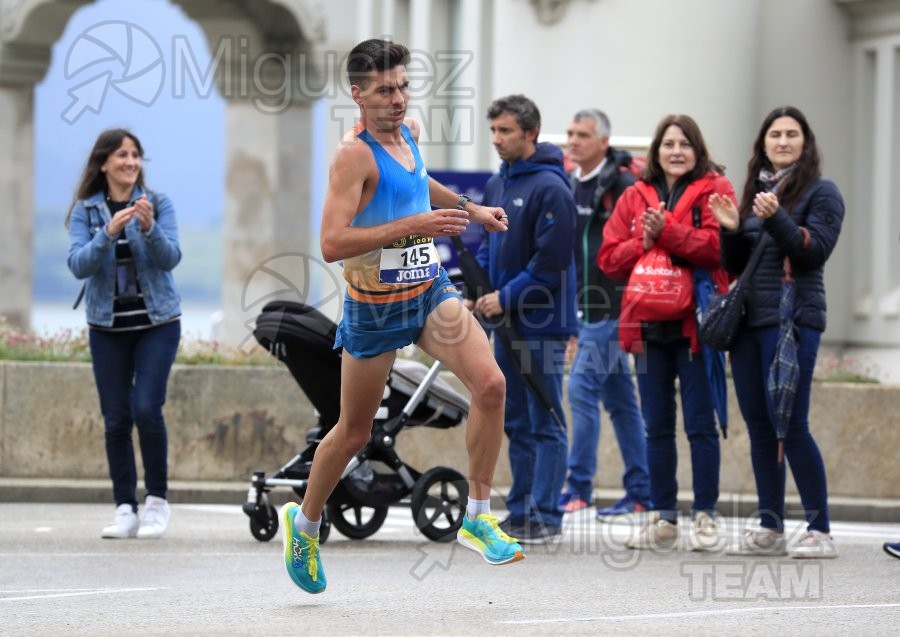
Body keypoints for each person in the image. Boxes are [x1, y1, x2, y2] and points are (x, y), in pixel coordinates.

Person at [278, 39, 523, 595]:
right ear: (357, 94)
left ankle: (478, 515)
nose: (397, 98)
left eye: (404, 86)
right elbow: (333, 242)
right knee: (354, 432)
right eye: (385, 90)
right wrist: (416, 228)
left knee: (490, 385)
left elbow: (417, 185)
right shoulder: (352, 156)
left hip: (428, 291)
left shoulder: (407, 131)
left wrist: (470, 209)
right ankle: (306, 523)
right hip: (374, 308)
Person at [711, 106, 844, 559]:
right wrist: (731, 230)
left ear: (805, 143)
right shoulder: (757, 193)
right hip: (749, 324)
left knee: (793, 425)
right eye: (775, 135)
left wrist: (775, 219)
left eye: (792, 134)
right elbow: (735, 268)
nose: (783, 141)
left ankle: (819, 529)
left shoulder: (822, 193)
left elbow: (814, 252)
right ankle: (769, 525)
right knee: (761, 428)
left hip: (793, 322)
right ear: (763, 144)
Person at [598, 114, 733, 551]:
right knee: (656, 426)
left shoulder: (717, 189)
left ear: (698, 151)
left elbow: (718, 249)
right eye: (668, 143)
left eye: (685, 144)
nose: (676, 151)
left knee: (700, 425)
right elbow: (608, 258)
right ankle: (663, 517)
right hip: (647, 326)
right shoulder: (634, 195)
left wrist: (668, 233)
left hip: (695, 324)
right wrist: (644, 242)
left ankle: (706, 516)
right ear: (656, 151)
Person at [66, 129, 182, 539]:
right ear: (103, 164)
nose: (131, 162)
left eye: (135, 155)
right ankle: (124, 509)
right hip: (107, 328)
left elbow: (171, 259)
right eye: (122, 155)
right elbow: (78, 264)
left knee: (146, 409)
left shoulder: (157, 204)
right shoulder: (86, 211)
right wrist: (108, 233)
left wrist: (150, 229)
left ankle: (156, 503)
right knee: (115, 418)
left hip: (158, 324)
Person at [473, 94, 578, 544]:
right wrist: (480, 288)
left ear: (530, 133)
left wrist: (506, 297)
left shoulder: (552, 188)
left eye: (505, 131)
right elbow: (486, 243)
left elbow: (550, 264)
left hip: (542, 324)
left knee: (545, 417)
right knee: (513, 418)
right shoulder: (499, 184)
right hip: (505, 323)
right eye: (493, 130)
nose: (496, 139)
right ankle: (519, 511)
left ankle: (547, 515)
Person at [558, 108, 651, 518]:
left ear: (603, 142)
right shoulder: (571, 184)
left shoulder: (623, 186)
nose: (573, 141)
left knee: (580, 389)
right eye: (570, 133)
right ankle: (641, 490)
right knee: (621, 401)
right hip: (583, 306)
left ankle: (579, 487)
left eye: (582, 135)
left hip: (613, 307)